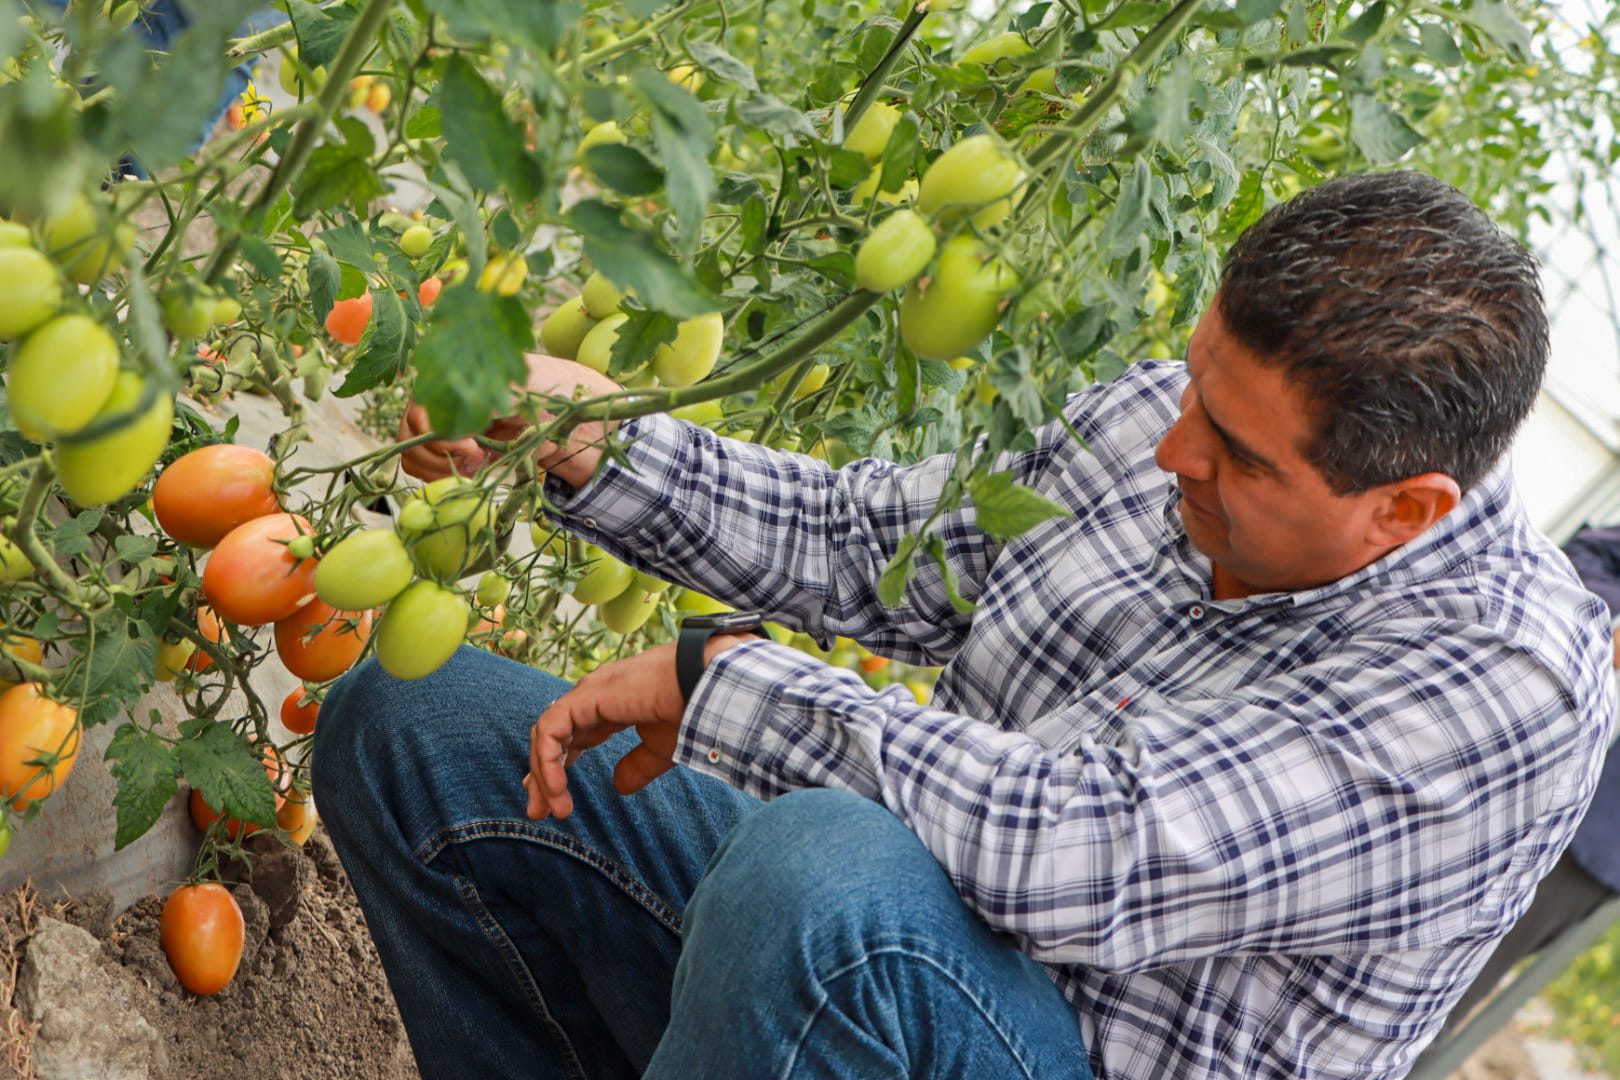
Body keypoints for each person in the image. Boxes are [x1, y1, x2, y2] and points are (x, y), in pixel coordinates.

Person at [312, 171, 1616, 1079]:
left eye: (1234, 454)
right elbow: (877, 551)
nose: (1171, 448)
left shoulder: (1506, 681)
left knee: (835, 884)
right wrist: (597, 446)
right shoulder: (1184, 421)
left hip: (1010, 1026)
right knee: (418, 727)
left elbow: (1078, 845)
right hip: (891, 996)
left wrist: (725, 683)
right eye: (1195, 382)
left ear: (1403, 510)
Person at [1430, 523, 1620, 1041]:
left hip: (1595, 846)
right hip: (1504, 763)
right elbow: (1589, 553)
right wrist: (1610, 624)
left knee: (1449, 990)